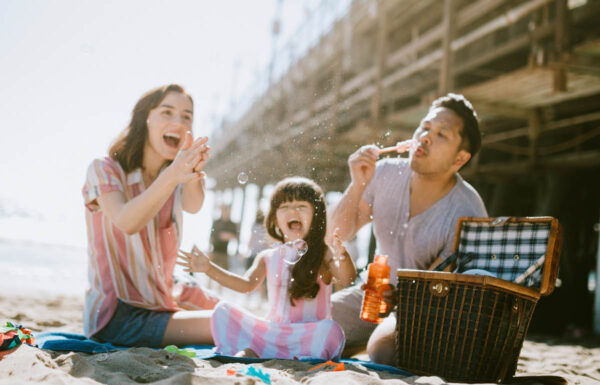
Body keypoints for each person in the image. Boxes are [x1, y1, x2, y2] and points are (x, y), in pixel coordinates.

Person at [327, 93, 488, 364]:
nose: (425, 137)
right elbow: (336, 235)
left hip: (427, 307)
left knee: (383, 351)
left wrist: (399, 297)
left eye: (441, 135)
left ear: (459, 159)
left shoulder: (466, 210)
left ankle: (366, 341)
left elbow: (443, 289)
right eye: (425, 127)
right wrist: (357, 185)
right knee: (312, 322)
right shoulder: (384, 173)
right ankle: (354, 340)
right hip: (375, 295)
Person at [81, 84, 219, 348]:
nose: (178, 123)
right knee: (228, 325)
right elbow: (127, 221)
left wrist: (190, 170)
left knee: (240, 318)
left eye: (186, 116)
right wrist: (174, 175)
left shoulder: (175, 177)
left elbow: (194, 204)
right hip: (117, 315)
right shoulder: (103, 170)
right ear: (145, 118)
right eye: (167, 112)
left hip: (167, 295)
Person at [178, 177, 357, 359]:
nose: (293, 211)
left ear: (316, 216)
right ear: (274, 219)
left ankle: (266, 353)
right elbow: (245, 285)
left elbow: (347, 278)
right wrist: (209, 268)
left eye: (301, 206)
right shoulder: (268, 257)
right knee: (222, 311)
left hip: (307, 335)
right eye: (284, 207)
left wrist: (342, 255)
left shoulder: (322, 253)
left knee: (330, 330)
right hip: (272, 333)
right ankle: (255, 350)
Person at [209, 204, 239, 271]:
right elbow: (211, 237)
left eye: (228, 210)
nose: (227, 212)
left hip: (225, 253)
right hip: (215, 252)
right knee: (211, 272)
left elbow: (236, 237)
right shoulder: (216, 222)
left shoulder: (232, 224)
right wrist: (210, 251)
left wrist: (229, 236)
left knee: (224, 272)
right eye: (225, 210)